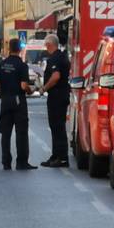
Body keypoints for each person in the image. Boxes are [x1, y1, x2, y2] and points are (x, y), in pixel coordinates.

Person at [0, 38, 37, 171]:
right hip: (18, 100)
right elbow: (24, 85)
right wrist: (30, 91)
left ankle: (6, 162)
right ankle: (22, 162)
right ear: (20, 49)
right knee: (21, 132)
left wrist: (3, 92)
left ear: (8, 49)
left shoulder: (0, 64)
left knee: (5, 133)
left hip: (5, 100)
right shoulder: (22, 66)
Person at [41, 34, 71, 168]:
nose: (45, 47)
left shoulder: (55, 58)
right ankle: (56, 155)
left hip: (57, 96)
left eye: (46, 45)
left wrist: (44, 88)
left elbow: (56, 76)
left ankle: (62, 157)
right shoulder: (62, 56)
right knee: (55, 126)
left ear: (49, 44)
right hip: (61, 95)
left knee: (58, 127)